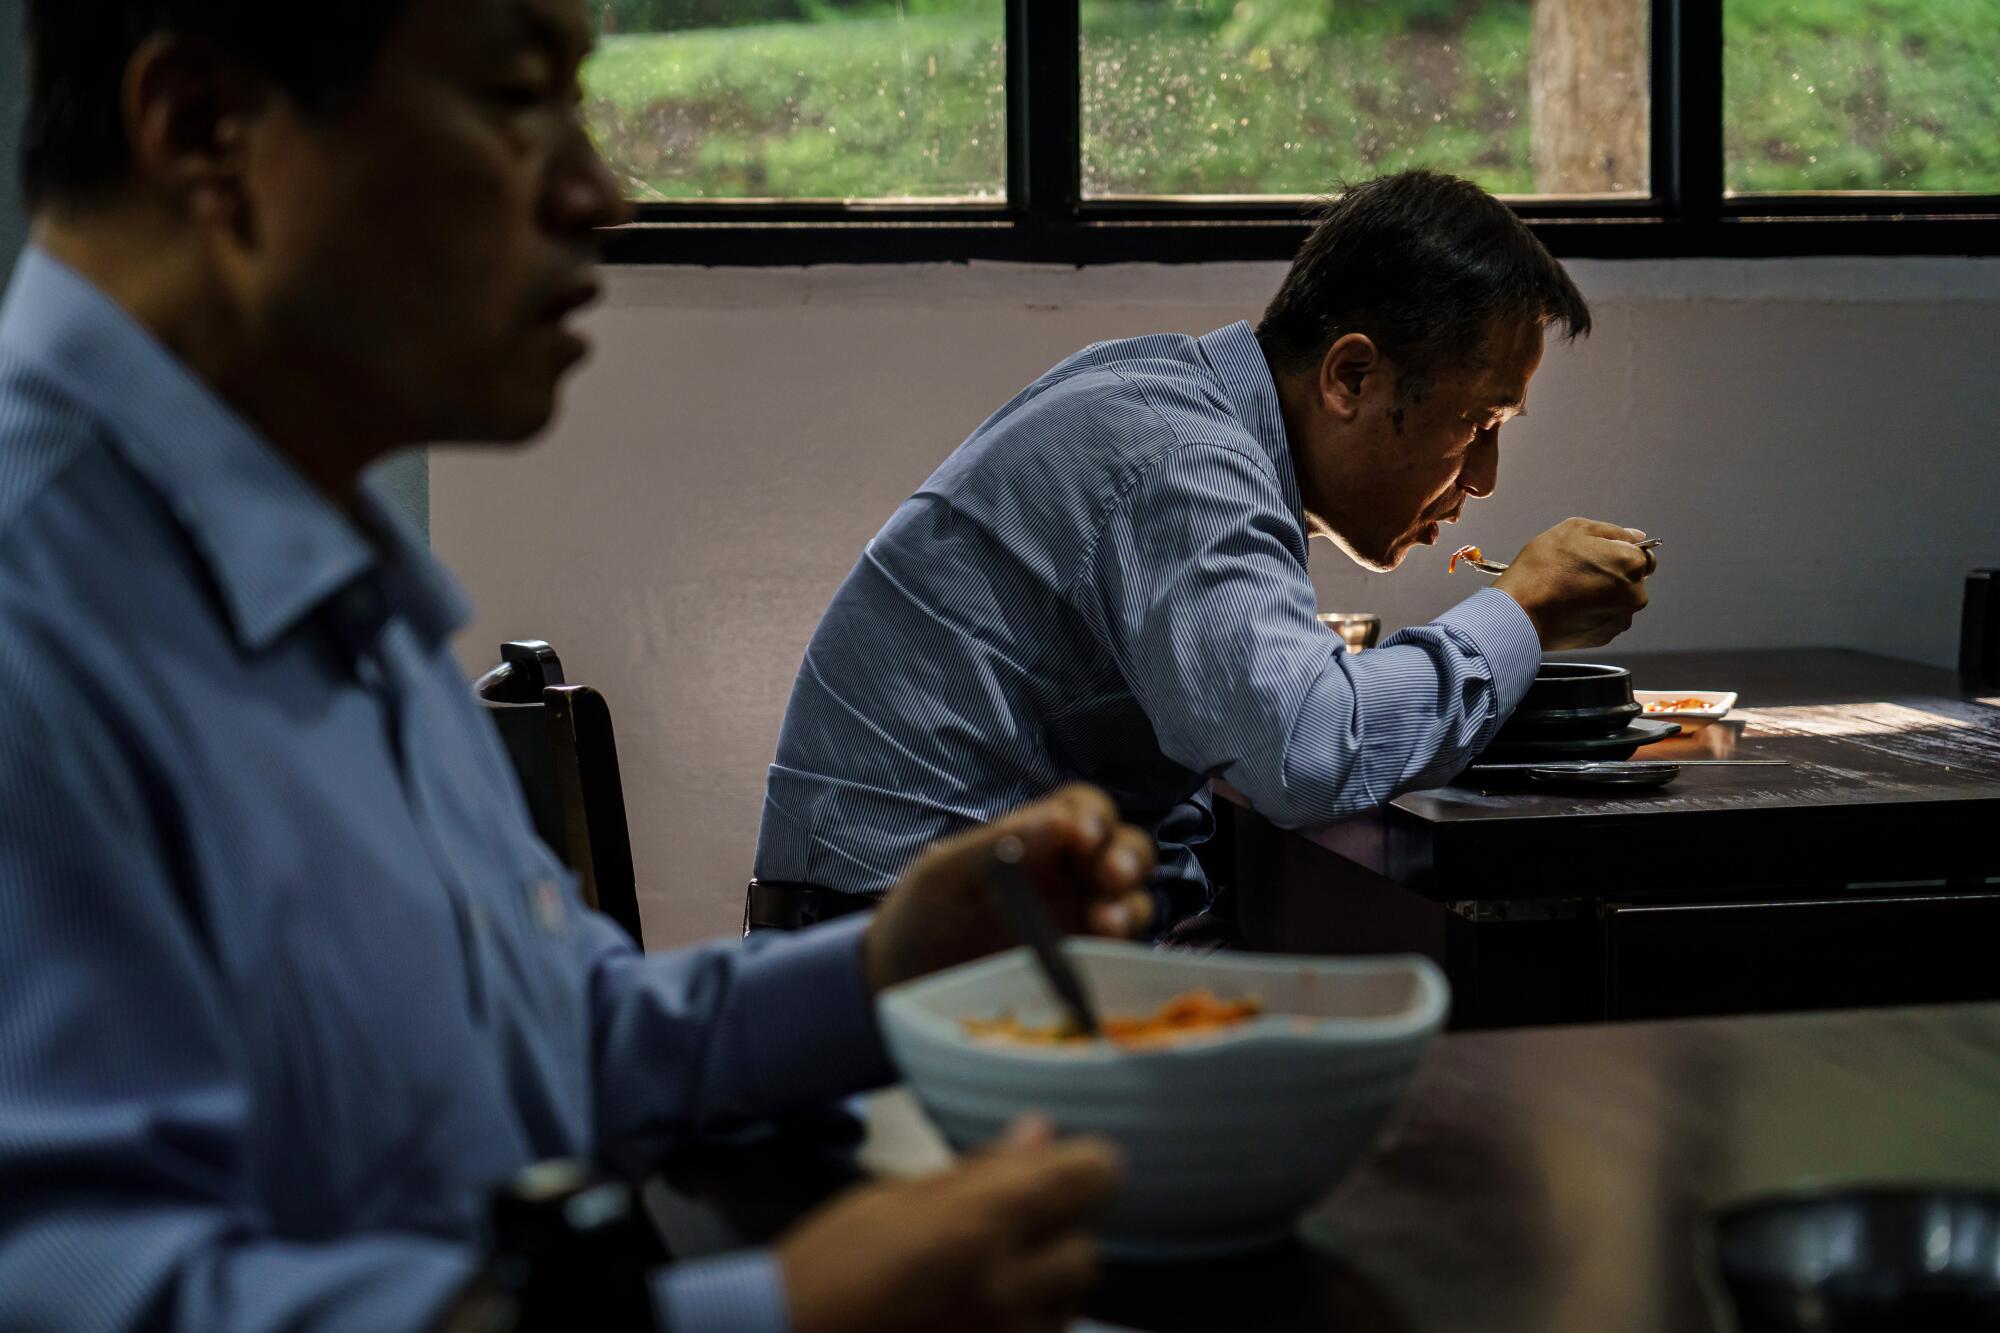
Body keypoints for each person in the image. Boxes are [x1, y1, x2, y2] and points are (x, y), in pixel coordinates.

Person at [0, 2, 1161, 1330]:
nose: (599, 190)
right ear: (211, 132)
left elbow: (547, 1038)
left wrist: (881, 969)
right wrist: (779, 1315)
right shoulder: (38, 619)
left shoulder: (327, 570)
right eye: (515, 97)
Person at [752, 169, 1656, 932]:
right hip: (904, 961)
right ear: (1350, 376)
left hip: (934, 925)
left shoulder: (1172, 399)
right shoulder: (1183, 460)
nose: (1487, 478)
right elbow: (1309, 750)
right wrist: (1523, 609)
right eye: (1479, 422)